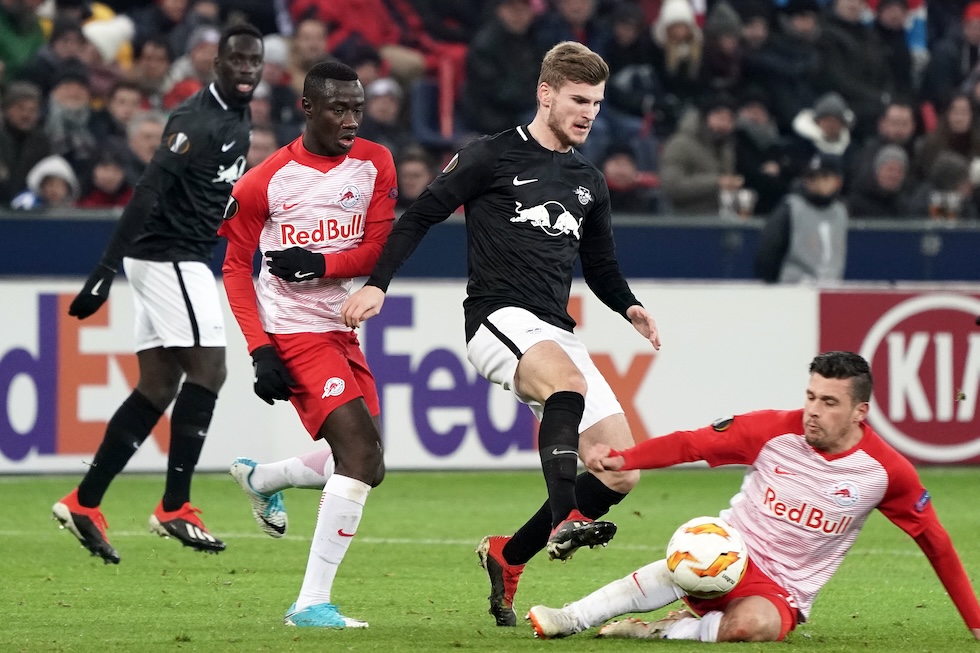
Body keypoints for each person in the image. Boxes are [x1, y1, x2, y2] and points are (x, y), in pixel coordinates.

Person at [342, 41, 660, 627]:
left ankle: (509, 555)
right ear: (546, 93)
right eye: (579, 100)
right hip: (496, 317)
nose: (589, 113)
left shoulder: (588, 179)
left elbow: (601, 267)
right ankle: (566, 517)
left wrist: (629, 306)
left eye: (596, 103)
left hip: (555, 328)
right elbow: (420, 215)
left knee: (621, 469)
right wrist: (377, 284)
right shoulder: (490, 156)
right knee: (567, 385)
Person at [527, 351, 980, 642]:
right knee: (698, 547)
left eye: (829, 403)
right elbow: (692, 443)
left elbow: (935, 543)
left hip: (784, 591)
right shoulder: (771, 430)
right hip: (731, 550)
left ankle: (660, 630)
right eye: (811, 397)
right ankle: (572, 616)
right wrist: (625, 458)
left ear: (860, 411)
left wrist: (975, 621)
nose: (813, 411)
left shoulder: (886, 472)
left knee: (752, 627)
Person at [51, 22, 265, 564]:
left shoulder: (239, 114)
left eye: (253, 61)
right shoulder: (195, 119)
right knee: (210, 370)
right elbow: (148, 189)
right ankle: (175, 505)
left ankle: (84, 501)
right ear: (216, 64)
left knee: (159, 383)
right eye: (237, 60)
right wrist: (104, 269)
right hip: (169, 255)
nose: (246, 69)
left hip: (174, 258)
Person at [219, 60, 398, 629]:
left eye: (357, 109)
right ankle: (310, 603)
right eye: (338, 109)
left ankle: (263, 478)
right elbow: (234, 269)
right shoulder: (263, 181)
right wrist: (259, 349)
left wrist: (321, 263)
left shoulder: (375, 162)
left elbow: (379, 248)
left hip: (341, 326)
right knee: (360, 455)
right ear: (308, 108)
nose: (350, 120)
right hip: (293, 331)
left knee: (369, 465)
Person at [754, 152, 848, 284]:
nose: (817, 182)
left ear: (838, 181)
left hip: (831, 288)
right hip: (794, 289)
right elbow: (767, 254)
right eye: (812, 177)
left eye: (825, 177)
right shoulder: (791, 208)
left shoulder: (840, 212)